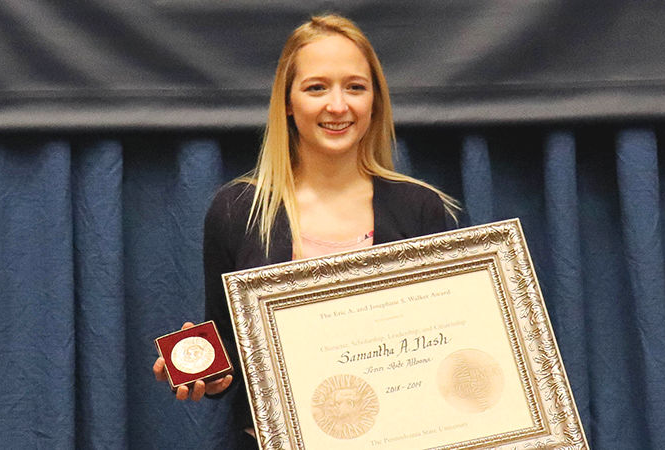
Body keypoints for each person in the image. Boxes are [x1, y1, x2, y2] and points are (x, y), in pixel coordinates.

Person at [153, 13, 458, 443]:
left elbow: (448, 345)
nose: (338, 105)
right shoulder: (237, 210)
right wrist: (208, 370)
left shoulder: (420, 208)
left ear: (375, 100)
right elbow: (231, 359)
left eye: (355, 86)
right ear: (288, 103)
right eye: (317, 87)